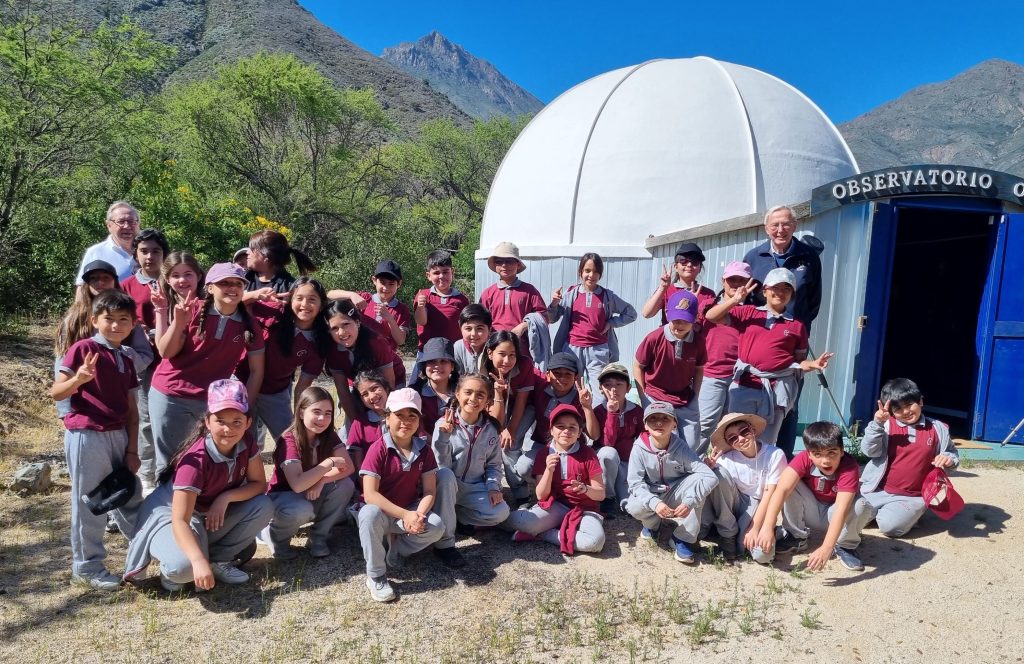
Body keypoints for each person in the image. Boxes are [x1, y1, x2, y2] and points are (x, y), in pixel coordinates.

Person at [124, 379, 274, 592]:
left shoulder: (246, 442)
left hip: (207, 514)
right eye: (220, 421)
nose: (228, 429)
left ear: (248, 422)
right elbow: (180, 520)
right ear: (207, 422)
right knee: (184, 569)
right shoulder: (194, 461)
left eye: (237, 421)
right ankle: (173, 569)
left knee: (263, 505)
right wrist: (197, 560)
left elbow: (259, 484)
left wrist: (225, 498)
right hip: (172, 518)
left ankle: (219, 561)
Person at [51, 289, 144, 590]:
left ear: (133, 324)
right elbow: (57, 392)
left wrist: (132, 450)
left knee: (129, 494)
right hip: (88, 434)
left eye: (123, 319)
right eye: (109, 319)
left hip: (119, 435)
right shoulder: (83, 349)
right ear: (94, 320)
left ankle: (143, 554)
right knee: (89, 501)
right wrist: (78, 379)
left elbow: (132, 410)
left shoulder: (126, 356)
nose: (116, 325)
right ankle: (87, 566)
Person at [149, 263, 265, 474]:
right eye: (224, 283)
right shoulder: (191, 309)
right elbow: (165, 352)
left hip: (210, 403)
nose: (232, 287)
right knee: (168, 465)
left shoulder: (249, 324)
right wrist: (179, 322)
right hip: (170, 396)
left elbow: (257, 371)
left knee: (203, 463)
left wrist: (243, 406)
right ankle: (165, 497)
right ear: (210, 287)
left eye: (238, 283)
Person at [704, 268, 833, 451]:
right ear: (765, 291)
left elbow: (798, 363)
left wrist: (814, 364)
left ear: (792, 295)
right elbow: (711, 316)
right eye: (775, 288)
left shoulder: (797, 326)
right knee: (736, 437)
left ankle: (761, 469)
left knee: (765, 443)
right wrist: (734, 300)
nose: (780, 293)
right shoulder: (748, 313)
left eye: (786, 289)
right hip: (745, 386)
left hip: (777, 391)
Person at [743, 205, 824, 457]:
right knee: (753, 398)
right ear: (766, 228)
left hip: (792, 340)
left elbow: (813, 301)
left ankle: (784, 460)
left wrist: (794, 328)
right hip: (760, 342)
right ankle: (750, 458)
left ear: (795, 226)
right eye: (775, 225)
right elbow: (745, 300)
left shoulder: (808, 257)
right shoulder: (753, 257)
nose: (780, 229)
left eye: (786, 224)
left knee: (788, 402)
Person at [357, 388, 453, 602]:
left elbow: (430, 491)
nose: (406, 422)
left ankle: (396, 549)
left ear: (419, 420)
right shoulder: (378, 449)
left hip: (408, 510)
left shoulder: (424, 449)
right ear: (387, 417)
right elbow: (370, 494)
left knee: (436, 526)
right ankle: (376, 575)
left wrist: (418, 515)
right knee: (368, 513)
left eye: (412, 416)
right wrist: (405, 515)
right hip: (383, 514)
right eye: (399, 415)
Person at [754, 422, 866, 571]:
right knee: (788, 483)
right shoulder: (803, 458)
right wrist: (767, 527)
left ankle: (845, 545)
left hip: (833, 514)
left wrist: (826, 547)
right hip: (811, 510)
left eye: (832, 452)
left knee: (862, 504)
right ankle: (796, 536)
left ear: (842, 451)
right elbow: (781, 491)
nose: (825, 460)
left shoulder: (849, 466)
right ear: (809, 454)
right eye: (817, 454)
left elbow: (841, 509)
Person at [261, 387, 356, 560]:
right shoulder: (288, 440)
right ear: (301, 412)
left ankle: (319, 536)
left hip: (310, 492)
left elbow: (348, 467)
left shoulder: (328, 435)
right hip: (284, 496)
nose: (322, 419)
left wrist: (321, 480)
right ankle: (276, 539)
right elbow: (297, 485)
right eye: (316, 412)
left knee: (346, 485)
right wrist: (328, 463)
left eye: (328, 413)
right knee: (301, 509)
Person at [857, 378, 960, 537]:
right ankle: (888, 512)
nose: (905, 412)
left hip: (912, 497)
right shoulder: (886, 426)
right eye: (898, 409)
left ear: (920, 401)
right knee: (850, 517)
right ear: (891, 411)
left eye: (909, 404)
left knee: (890, 527)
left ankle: (905, 514)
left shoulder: (937, 428)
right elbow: (869, 451)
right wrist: (877, 424)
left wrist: (949, 459)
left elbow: (952, 453)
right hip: (876, 490)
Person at [504, 404, 606, 556]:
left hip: (585, 509)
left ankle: (543, 534)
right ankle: (490, 520)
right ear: (551, 430)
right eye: (560, 426)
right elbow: (541, 496)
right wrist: (548, 470)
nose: (566, 431)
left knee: (595, 542)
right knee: (519, 521)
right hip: (556, 506)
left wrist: (586, 489)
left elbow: (600, 494)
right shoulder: (544, 453)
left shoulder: (588, 453)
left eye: (572, 427)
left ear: (579, 432)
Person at [241, 277, 331, 447]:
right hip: (242, 384)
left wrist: (300, 418)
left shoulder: (319, 340)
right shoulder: (275, 311)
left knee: (291, 442)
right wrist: (255, 294)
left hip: (275, 392)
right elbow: (235, 303)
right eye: (299, 298)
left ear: (321, 305)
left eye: (312, 299)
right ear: (290, 300)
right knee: (242, 441)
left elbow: (302, 385)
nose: (305, 304)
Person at [624, 402, 719, 564]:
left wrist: (689, 501)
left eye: (665, 418)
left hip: (675, 491)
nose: (659, 423)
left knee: (699, 482)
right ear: (645, 425)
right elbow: (635, 483)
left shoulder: (680, 447)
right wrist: (655, 503)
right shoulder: (639, 448)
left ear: (674, 424)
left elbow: (710, 476)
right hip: (652, 493)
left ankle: (682, 538)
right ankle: (652, 524)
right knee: (633, 506)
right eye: (653, 418)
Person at [120, 229, 170, 495]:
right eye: (144, 251)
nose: (150, 256)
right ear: (136, 254)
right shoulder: (127, 286)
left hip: (173, 360)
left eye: (156, 251)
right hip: (143, 363)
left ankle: (170, 472)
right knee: (146, 420)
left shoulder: (173, 281)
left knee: (171, 419)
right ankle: (147, 475)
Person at [548, 252, 638, 399]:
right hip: (572, 349)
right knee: (571, 391)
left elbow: (631, 314)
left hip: (598, 350)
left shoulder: (607, 296)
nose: (591, 275)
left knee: (600, 394)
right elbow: (552, 318)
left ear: (600, 274)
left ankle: (597, 414)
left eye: (596, 271)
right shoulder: (571, 294)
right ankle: (573, 414)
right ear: (580, 272)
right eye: (587, 271)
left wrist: (611, 323)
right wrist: (554, 304)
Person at [510, 352, 599, 497]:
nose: (562, 378)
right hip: (543, 446)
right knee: (523, 467)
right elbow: (524, 367)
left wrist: (587, 407)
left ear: (576, 376)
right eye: (557, 373)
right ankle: (549, 490)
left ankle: (564, 491)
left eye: (568, 374)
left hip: (572, 449)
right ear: (547, 374)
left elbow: (594, 435)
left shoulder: (580, 398)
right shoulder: (540, 388)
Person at [432, 373, 510, 535]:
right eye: (468, 392)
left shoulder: (491, 429)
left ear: (487, 400)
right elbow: (441, 466)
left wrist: (493, 487)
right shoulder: (444, 424)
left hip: (474, 487)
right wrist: (443, 438)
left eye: (480, 395)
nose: (473, 398)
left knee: (501, 512)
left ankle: (460, 516)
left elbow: (494, 465)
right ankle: (446, 538)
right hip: (447, 486)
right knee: (446, 476)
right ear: (457, 393)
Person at [704, 412, 787, 563]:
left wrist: (754, 528)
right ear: (729, 444)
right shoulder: (726, 459)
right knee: (717, 473)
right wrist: (708, 469)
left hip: (760, 506)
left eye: (744, 431)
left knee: (762, 556)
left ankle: (774, 532)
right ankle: (728, 535)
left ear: (752, 430)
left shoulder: (775, 454)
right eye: (733, 438)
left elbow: (769, 494)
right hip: (735, 504)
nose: (741, 439)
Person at [633, 290, 706, 452]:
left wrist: (695, 395)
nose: (679, 324)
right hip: (656, 396)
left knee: (692, 443)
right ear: (667, 314)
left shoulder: (698, 342)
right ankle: (664, 468)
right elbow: (638, 365)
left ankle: (683, 467)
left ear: (695, 319)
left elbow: (699, 369)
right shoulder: (654, 338)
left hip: (685, 397)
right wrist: (643, 397)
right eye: (676, 320)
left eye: (685, 320)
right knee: (668, 442)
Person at [697, 261, 749, 451]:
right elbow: (710, 316)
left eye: (741, 280)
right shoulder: (709, 303)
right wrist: (734, 301)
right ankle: (691, 463)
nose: (736, 283)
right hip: (712, 375)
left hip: (739, 378)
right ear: (723, 281)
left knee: (733, 427)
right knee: (705, 424)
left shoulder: (750, 311)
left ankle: (724, 463)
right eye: (731, 279)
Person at [483, 330, 537, 503]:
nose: (507, 361)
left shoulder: (524, 365)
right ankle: (488, 486)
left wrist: (510, 430)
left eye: (512, 355)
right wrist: (500, 429)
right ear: (490, 353)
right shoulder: (482, 368)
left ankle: (521, 494)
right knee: (490, 441)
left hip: (526, 407)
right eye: (502, 354)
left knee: (509, 445)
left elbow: (522, 401)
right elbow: (489, 408)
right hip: (496, 405)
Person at [325, 298, 397, 421]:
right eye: (334, 328)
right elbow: (343, 391)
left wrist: (387, 416)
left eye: (346, 324)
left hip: (389, 384)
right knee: (356, 425)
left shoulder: (376, 342)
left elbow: (389, 383)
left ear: (357, 322)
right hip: (361, 387)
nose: (341, 332)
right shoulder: (333, 351)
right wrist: (356, 424)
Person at [592, 363, 644, 517]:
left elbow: (642, 438)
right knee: (608, 453)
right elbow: (608, 443)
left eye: (619, 384)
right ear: (601, 388)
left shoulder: (636, 410)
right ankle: (607, 497)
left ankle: (622, 495)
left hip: (627, 463)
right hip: (605, 463)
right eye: (608, 385)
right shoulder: (598, 411)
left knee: (631, 506)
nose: (613, 389)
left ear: (628, 388)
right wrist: (612, 413)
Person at [640, 242, 717, 328]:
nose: (689, 265)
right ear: (676, 267)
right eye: (684, 261)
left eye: (695, 262)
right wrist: (662, 288)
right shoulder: (666, 290)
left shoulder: (708, 294)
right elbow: (647, 314)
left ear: (700, 268)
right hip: (671, 336)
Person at [478, 241, 546, 336]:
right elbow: (480, 319)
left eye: (509, 261)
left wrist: (524, 326)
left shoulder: (529, 291)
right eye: (499, 261)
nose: (504, 265)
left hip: (522, 343)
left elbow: (543, 316)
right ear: (495, 265)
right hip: (495, 342)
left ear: (518, 264)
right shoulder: (488, 293)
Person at [413, 249, 470, 360]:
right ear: (428, 275)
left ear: (452, 272)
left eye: (445, 272)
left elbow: (466, 327)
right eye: (436, 273)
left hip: (453, 353)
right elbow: (421, 321)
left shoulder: (462, 300)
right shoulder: (423, 295)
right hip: (427, 352)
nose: (441, 276)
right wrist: (421, 306)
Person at [75, 201, 140, 283]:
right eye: (121, 222)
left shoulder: (149, 250)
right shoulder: (95, 252)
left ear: (138, 224)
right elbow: (82, 287)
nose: (127, 226)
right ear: (109, 225)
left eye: (131, 221)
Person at [343, 370, 392, 472]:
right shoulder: (360, 424)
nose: (372, 396)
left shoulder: (403, 414)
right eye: (365, 394)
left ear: (386, 388)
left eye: (375, 388)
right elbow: (359, 464)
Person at [244, 229, 316, 296]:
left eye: (252, 249)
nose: (247, 252)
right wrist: (254, 296)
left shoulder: (290, 287)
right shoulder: (243, 278)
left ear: (266, 257)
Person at [410, 337, 459, 431]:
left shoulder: (462, 393)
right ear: (425, 366)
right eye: (431, 361)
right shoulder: (414, 393)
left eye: (443, 361)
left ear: (452, 366)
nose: (437, 366)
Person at [453, 304, 492, 375]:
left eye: (479, 328)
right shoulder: (458, 347)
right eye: (468, 328)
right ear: (460, 327)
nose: (473, 334)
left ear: (489, 329)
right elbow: (457, 376)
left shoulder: (494, 347)